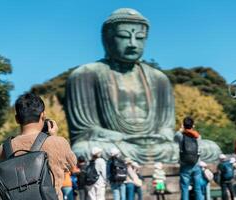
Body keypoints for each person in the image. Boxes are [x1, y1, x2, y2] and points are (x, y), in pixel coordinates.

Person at [65, 8, 178, 164]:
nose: (132, 44)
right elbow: (84, 132)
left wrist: (163, 135)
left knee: (208, 148)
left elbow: (167, 127)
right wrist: (121, 137)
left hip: (156, 146)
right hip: (114, 144)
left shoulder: (159, 79)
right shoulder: (85, 74)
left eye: (140, 38)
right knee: (83, 149)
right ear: (107, 39)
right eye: (124, 36)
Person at [0, 93, 77, 200]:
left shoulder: (3, 149)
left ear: (16, 119)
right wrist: (54, 136)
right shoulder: (58, 142)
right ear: (43, 115)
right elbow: (72, 166)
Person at [174, 117, 204, 200]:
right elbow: (200, 150)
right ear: (193, 125)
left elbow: (174, 138)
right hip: (196, 164)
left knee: (184, 188)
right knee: (198, 188)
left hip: (184, 164)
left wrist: (181, 129)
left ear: (183, 125)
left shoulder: (180, 135)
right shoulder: (198, 136)